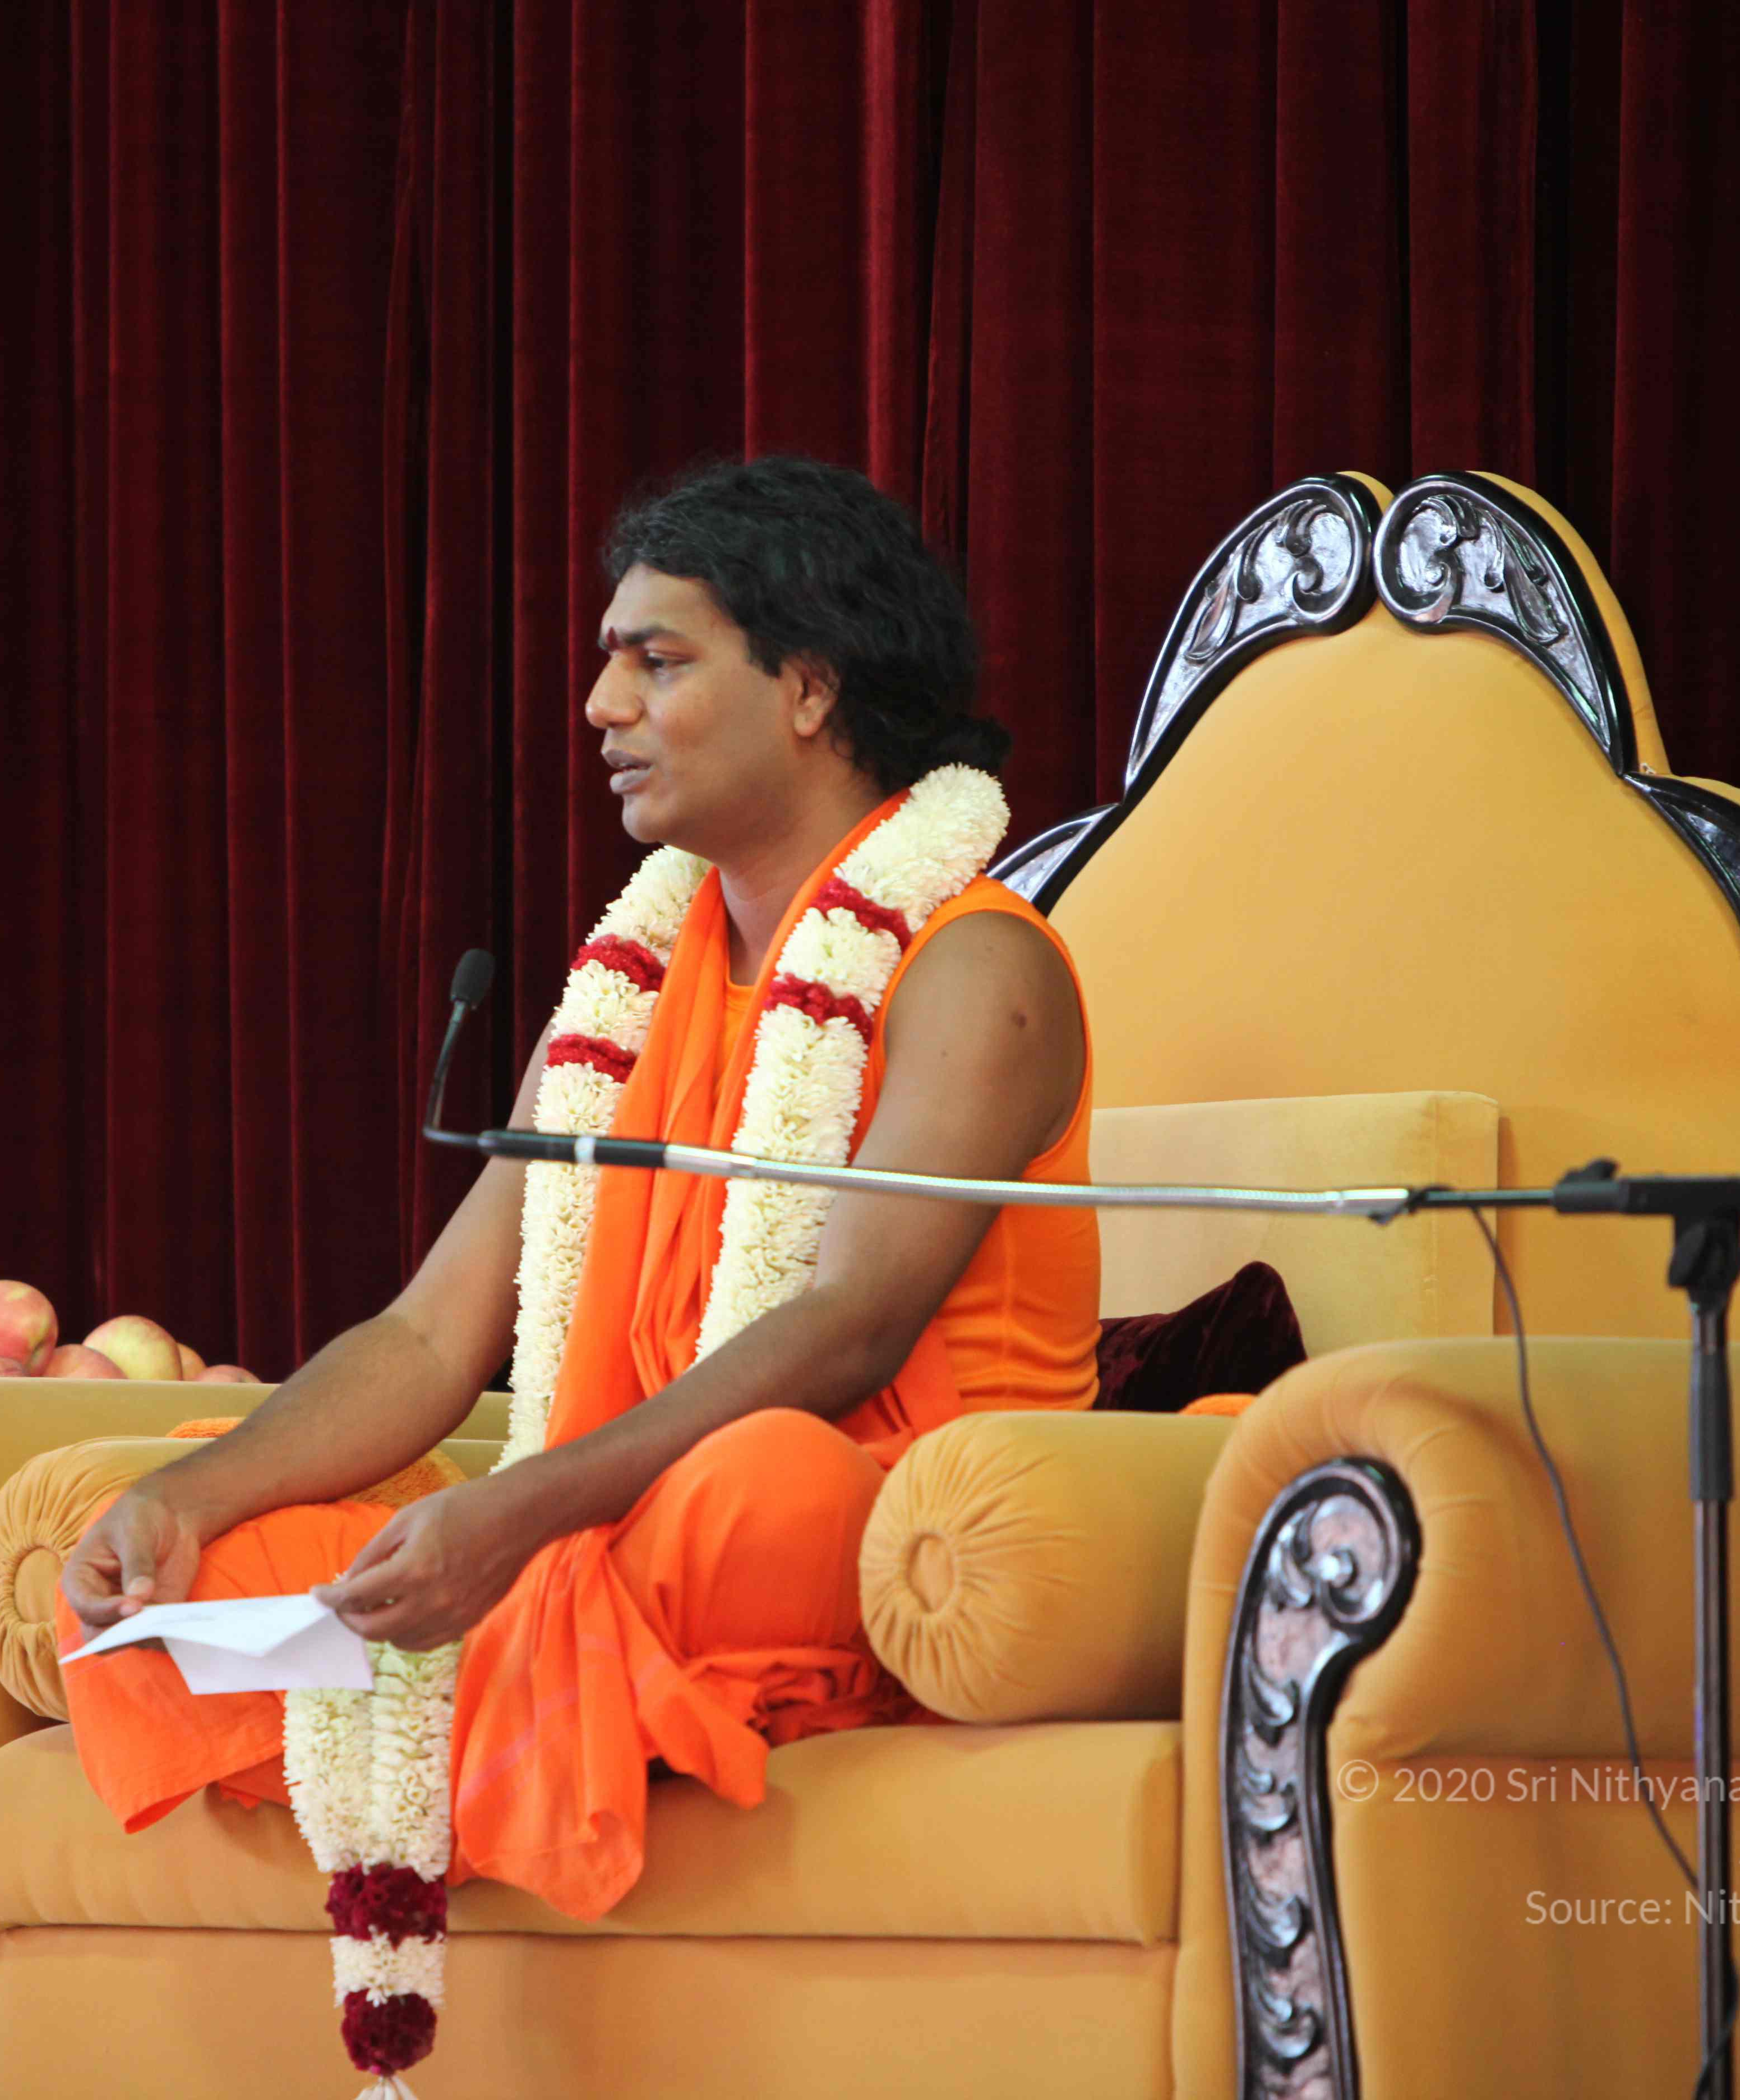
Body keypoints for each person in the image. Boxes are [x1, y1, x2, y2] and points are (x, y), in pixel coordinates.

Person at [56, 453, 1099, 1922]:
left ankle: (487, 1703)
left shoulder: (976, 967)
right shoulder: (619, 999)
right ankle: (528, 1717)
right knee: (190, 1567)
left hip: (835, 1531)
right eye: (611, 663)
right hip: (600, 1528)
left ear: (809, 689)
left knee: (764, 1490)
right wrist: (183, 1496)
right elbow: (430, 1336)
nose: (604, 706)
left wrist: (520, 1518)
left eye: (658, 662)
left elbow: (853, 1325)